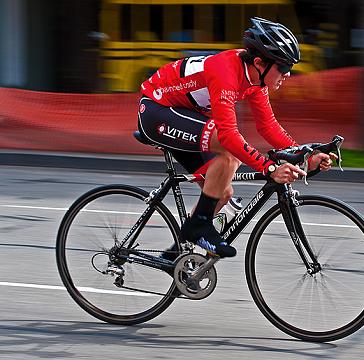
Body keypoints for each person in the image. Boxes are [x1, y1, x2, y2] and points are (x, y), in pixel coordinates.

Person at [137, 17, 334, 259]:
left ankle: (174, 257)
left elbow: (268, 127)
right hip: (158, 111)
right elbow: (228, 134)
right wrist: (269, 167)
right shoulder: (225, 71)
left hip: (187, 115)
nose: (288, 74)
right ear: (260, 63)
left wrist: (305, 155)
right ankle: (198, 226)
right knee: (229, 152)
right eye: (283, 68)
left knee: (222, 192)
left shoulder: (256, 79)